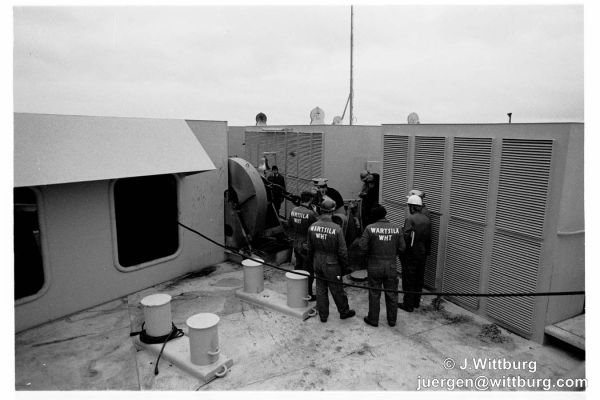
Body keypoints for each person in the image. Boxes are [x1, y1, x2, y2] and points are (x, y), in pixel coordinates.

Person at [305, 198, 356, 323]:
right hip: (332, 264)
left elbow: (309, 248)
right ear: (332, 211)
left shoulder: (312, 227)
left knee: (320, 289)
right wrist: (345, 266)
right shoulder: (337, 229)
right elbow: (342, 251)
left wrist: (311, 262)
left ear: (321, 210)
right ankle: (344, 312)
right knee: (337, 289)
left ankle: (323, 315)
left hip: (317, 261)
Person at [358, 205, 406, 327]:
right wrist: (393, 253)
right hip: (391, 265)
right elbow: (402, 247)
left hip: (374, 265)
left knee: (374, 293)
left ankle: (373, 319)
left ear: (374, 216)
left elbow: (362, 247)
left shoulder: (369, 228)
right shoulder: (397, 228)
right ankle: (392, 320)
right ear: (385, 214)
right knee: (392, 294)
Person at [398, 195, 431, 312]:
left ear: (412, 207)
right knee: (419, 278)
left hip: (411, 254)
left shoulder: (410, 219)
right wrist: (427, 251)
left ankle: (408, 304)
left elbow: (406, 237)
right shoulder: (427, 219)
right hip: (422, 253)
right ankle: (416, 302)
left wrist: (401, 251)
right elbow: (429, 238)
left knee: (408, 279)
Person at [288, 191, 318, 301]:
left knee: (298, 267)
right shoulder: (311, 214)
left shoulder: (293, 210)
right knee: (308, 270)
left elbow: (290, 226)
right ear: (310, 200)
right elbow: (317, 227)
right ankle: (308, 293)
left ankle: (297, 290)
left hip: (296, 243)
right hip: (306, 245)